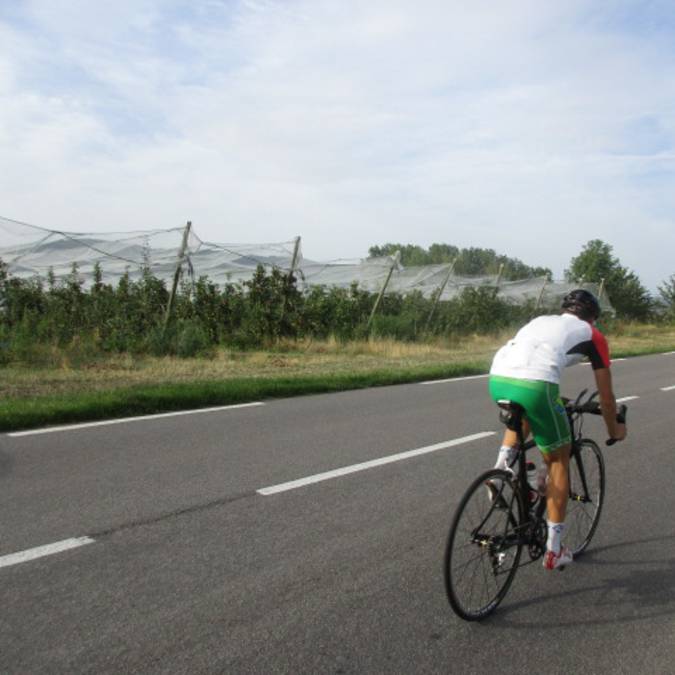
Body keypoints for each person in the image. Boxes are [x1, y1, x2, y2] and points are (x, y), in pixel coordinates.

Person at [488, 289, 627, 570]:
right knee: (558, 460)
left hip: (498, 377)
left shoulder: (541, 321)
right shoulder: (593, 335)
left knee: (524, 413)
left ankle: (504, 469)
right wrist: (615, 430)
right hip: (537, 385)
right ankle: (554, 550)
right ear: (593, 318)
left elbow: (535, 357)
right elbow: (607, 397)